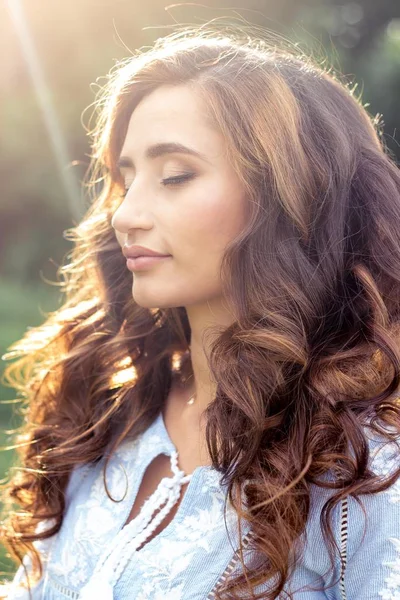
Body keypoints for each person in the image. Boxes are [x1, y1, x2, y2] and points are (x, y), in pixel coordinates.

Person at [1, 22, 400, 600]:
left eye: (175, 176)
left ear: (292, 196)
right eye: (125, 178)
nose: (124, 214)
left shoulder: (365, 463)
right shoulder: (109, 407)